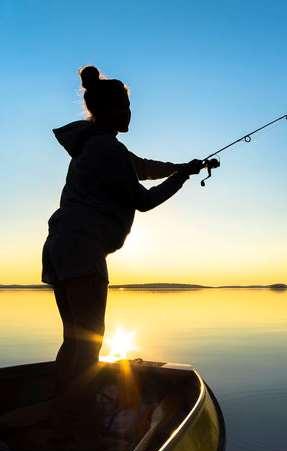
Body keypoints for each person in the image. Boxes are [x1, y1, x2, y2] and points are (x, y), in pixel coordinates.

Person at [42, 65, 218, 411]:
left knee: (74, 340)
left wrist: (183, 167)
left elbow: (143, 167)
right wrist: (181, 179)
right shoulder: (107, 150)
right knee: (90, 343)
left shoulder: (96, 145)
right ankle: (73, 417)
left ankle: (59, 405)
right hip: (83, 250)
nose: (129, 112)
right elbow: (144, 200)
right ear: (105, 110)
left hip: (60, 247)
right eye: (123, 106)